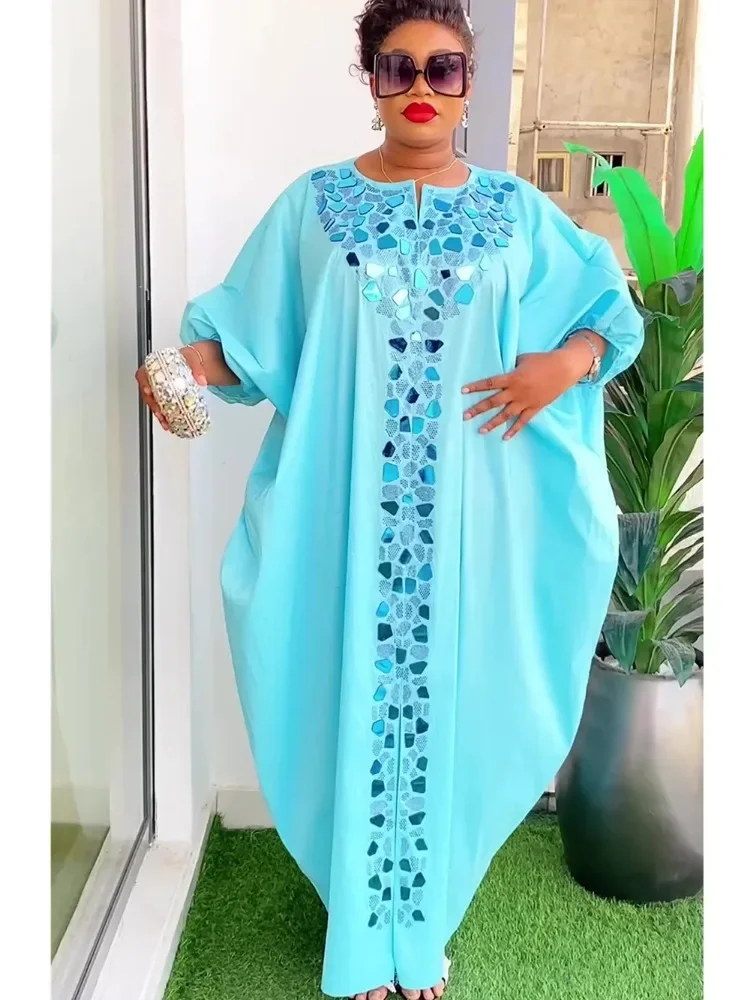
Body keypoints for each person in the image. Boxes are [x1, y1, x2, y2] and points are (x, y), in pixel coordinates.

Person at [136, 2, 644, 997]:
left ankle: (425, 925)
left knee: (463, 699)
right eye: (396, 66)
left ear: (469, 85)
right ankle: (364, 936)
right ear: (369, 80)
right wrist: (184, 369)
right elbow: (251, 339)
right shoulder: (313, 208)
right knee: (347, 693)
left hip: (474, 525)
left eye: (442, 69)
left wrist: (564, 363)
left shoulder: (515, 215)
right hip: (344, 520)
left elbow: (608, 315)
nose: (419, 87)